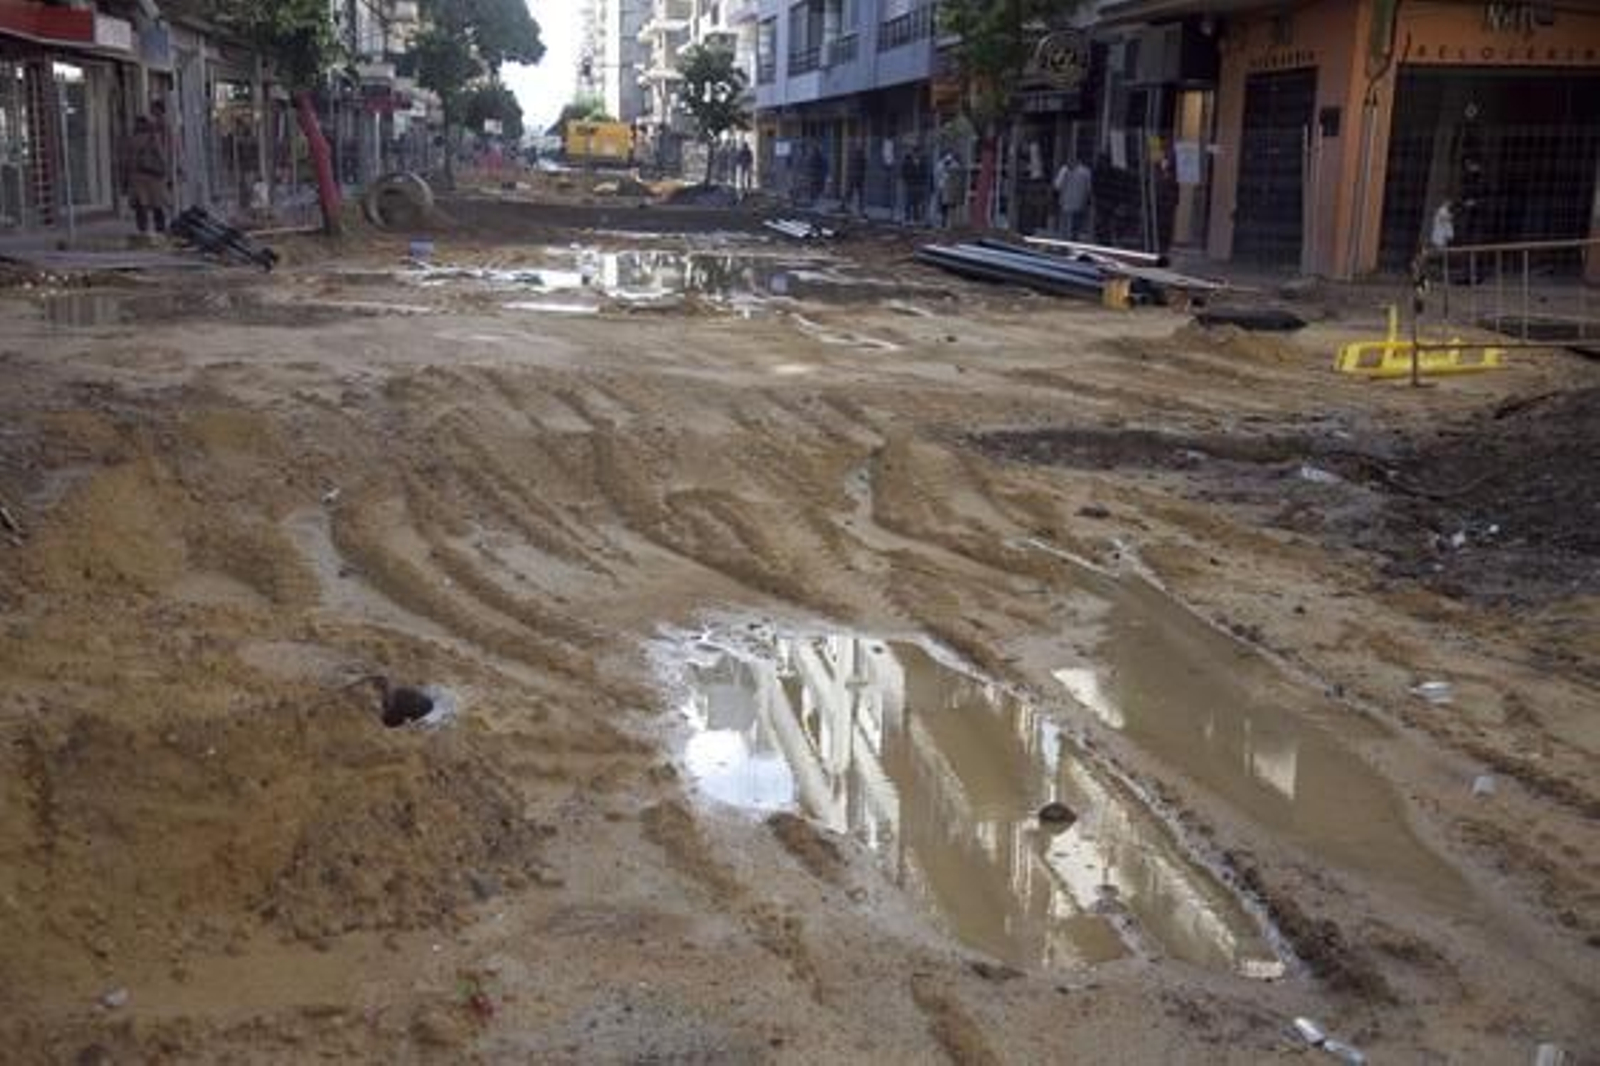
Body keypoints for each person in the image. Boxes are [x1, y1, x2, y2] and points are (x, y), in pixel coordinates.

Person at [123, 116, 170, 234]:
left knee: (141, 203)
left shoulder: (131, 139)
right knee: (157, 203)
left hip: (137, 175)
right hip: (153, 175)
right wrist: (165, 170)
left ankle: (142, 227)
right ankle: (160, 227)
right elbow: (161, 155)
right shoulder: (153, 138)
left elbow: (127, 160)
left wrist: (126, 177)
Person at [1053, 156, 1092, 240]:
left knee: (1065, 228)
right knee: (1075, 228)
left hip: (1065, 203)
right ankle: (1073, 239)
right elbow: (1088, 189)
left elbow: (1057, 186)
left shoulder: (1064, 170)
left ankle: (1065, 241)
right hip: (1079, 204)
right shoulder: (1086, 172)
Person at [937, 151, 964, 228]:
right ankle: (943, 222)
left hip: (951, 188)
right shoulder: (940, 164)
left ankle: (952, 223)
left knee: (952, 205)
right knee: (943, 206)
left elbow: (956, 173)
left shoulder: (955, 165)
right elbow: (939, 174)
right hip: (942, 187)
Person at [900, 146, 927, 224]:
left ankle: (916, 217)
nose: (917, 155)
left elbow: (925, 172)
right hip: (910, 183)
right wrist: (907, 179)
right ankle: (907, 217)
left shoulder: (923, 162)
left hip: (919, 183)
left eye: (919, 153)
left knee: (917, 202)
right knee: (908, 201)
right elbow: (903, 171)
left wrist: (922, 180)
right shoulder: (907, 161)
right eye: (916, 153)